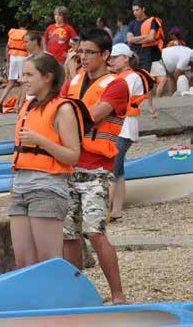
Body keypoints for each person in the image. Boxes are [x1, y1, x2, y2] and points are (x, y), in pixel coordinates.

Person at [61, 29, 128, 305]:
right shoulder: (75, 80)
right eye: (81, 52)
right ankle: (76, 297)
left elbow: (89, 118)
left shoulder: (116, 85)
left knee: (95, 232)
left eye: (89, 52)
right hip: (69, 167)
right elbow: (59, 111)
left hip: (96, 170)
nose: (83, 57)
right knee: (68, 236)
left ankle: (118, 296)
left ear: (105, 55)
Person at [9, 53, 86, 269]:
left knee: (48, 262)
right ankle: (34, 302)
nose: (23, 79)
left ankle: (60, 301)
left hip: (48, 187)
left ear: (47, 77)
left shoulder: (63, 109)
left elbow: (73, 155)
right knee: (24, 263)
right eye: (23, 74)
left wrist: (40, 140)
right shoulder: (28, 106)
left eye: (29, 74)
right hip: (21, 185)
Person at [108, 44, 147, 221]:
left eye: (115, 57)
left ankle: (103, 212)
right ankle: (116, 211)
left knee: (112, 170)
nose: (112, 61)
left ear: (125, 58)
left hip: (124, 128)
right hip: (122, 128)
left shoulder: (131, 77)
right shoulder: (123, 77)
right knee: (119, 170)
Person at [126, 0, 163, 113]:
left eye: (137, 9)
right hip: (133, 55)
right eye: (133, 10)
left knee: (147, 79)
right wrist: (144, 37)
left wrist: (136, 39)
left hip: (146, 55)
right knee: (131, 78)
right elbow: (129, 39)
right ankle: (130, 104)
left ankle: (150, 105)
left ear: (143, 9)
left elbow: (151, 38)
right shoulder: (132, 23)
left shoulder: (152, 21)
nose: (135, 12)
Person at [0, 17, 28, 113]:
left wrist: (8, 62)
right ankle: (18, 106)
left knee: (11, 82)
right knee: (24, 82)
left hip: (13, 57)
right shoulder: (27, 34)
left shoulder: (12, 33)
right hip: (23, 56)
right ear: (27, 25)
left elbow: (7, 48)